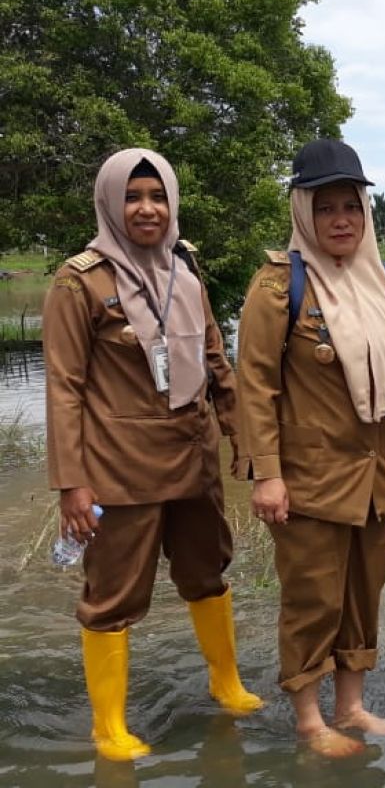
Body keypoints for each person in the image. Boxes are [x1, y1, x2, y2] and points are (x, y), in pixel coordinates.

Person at [43, 148, 262, 761]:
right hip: (119, 469)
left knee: (206, 572)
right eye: (133, 197)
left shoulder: (184, 269)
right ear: (111, 204)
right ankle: (108, 726)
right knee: (112, 595)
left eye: (158, 196)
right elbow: (63, 388)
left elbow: (216, 358)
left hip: (193, 459)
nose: (147, 209)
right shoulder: (79, 281)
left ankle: (227, 683)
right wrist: (72, 484)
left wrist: (242, 434)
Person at [235, 139, 385, 757]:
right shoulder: (279, 287)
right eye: (326, 208)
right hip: (310, 482)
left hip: (377, 477)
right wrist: (266, 475)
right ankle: (307, 720)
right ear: (303, 213)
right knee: (311, 600)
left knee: (361, 594)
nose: (341, 219)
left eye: (351, 205)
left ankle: (349, 706)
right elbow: (255, 387)